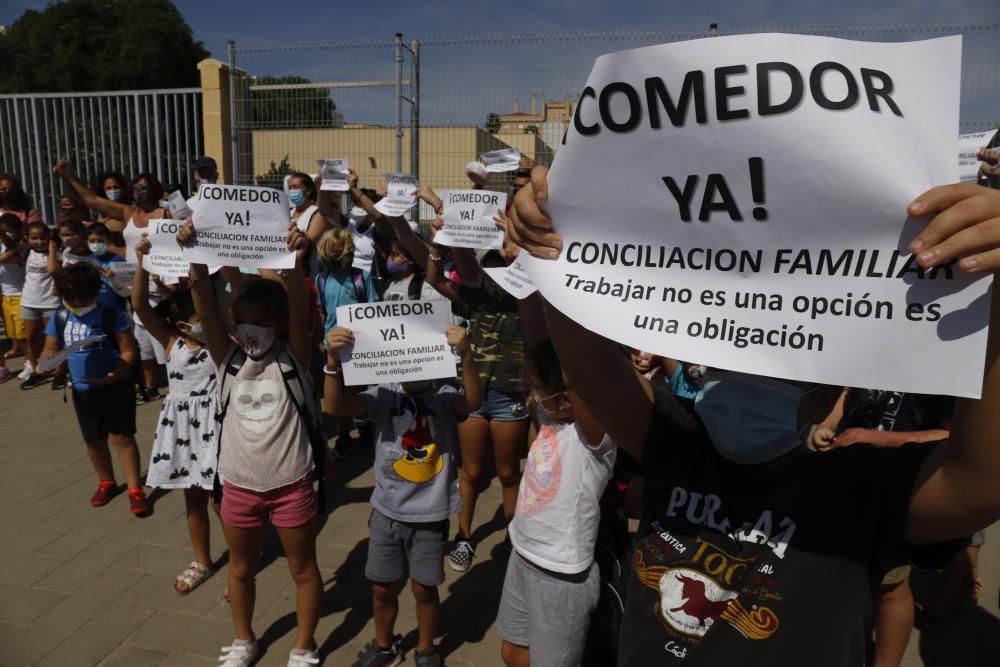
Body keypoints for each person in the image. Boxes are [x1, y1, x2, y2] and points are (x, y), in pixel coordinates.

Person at [510, 168, 1000, 666]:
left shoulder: (864, 487)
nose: (741, 381)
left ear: (830, 395)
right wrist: (553, 237)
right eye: (728, 360)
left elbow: (981, 480)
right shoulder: (679, 442)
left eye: (779, 369)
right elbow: (587, 361)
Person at [179, 221, 323, 667]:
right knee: (240, 568)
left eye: (262, 324)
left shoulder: (294, 358)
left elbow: (301, 316)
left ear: (279, 325)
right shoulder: (228, 357)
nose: (251, 331)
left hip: (292, 485)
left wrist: (298, 262)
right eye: (243, 322)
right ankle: (245, 639)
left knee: (302, 569)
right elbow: (205, 313)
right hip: (238, 486)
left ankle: (304, 644)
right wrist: (195, 255)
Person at [324, 323, 482, 667]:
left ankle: (426, 649)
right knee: (382, 588)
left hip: (430, 515)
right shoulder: (383, 393)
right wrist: (332, 362)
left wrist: (466, 356)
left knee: (425, 589)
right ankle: (385, 646)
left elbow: (472, 400)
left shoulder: (443, 394)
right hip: (387, 513)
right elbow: (336, 406)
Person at [498, 339, 615, 667]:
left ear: (566, 398)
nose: (532, 395)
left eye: (537, 388)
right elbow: (536, 332)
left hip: (560, 576)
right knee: (513, 653)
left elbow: (579, 378)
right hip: (523, 555)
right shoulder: (550, 419)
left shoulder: (596, 442)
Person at [423, 239, 529, 573]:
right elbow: (435, 281)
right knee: (469, 472)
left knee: (509, 473)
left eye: (503, 272)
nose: (495, 279)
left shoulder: (528, 304)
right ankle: (464, 537)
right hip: (472, 398)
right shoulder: (476, 300)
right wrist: (437, 249)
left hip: (510, 399)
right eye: (491, 273)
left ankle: (514, 537)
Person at [132, 238, 220, 595]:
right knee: (193, 498)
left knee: (221, 500)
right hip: (182, 430)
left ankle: (242, 562)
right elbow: (139, 305)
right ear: (183, 325)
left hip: (215, 425)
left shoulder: (221, 343)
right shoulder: (172, 343)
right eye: (196, 320)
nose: (203, 324)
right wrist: (141, 262)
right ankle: (202, 559)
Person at [40, 262, 148, 515]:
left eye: (82, 299)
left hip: (116, 387)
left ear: (95, 293)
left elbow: (128, 350)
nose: (77, 304)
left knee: (122, 438)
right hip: (82, 389)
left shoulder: (111, 315)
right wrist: (45, 363)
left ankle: (135, 489)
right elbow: (50, 348)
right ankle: (106, 481)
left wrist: (119, 372)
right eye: (71, 299)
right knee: (94, 440)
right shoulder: (61, 316)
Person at [18, 222, 61, 390]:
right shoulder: (26, 252)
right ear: (27, 239)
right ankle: (37, 371)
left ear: (50, 237)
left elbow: (52, 271)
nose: (39, 241)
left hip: (50, 302)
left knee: (52, 340)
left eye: (43, 237)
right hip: (29, 301)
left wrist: (52, 249)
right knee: (31, 338)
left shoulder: (56, 253)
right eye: (34, 238)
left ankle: (58, 372)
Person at [0, 214, 28, 382]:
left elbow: (8, 258)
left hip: (21, 294)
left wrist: (7, 239)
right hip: (5, 295)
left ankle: (30, 362)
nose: (5, 234)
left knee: (25, 335)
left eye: (8, 231)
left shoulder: (23, 246)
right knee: (14, 335)